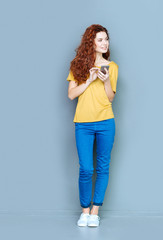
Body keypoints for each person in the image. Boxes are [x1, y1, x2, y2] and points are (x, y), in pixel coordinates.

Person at [66, 24, 119, 227]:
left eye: (106, 39)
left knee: (103, 167)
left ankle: (95, 212)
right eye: (100, 39)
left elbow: (110, 98)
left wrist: (105, 82)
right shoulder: (77, 65)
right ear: (91, 43)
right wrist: (89, 79)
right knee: (86, 169)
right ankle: (84, 212)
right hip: (83, 124)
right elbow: (71, 94)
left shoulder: (111, 66)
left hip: (106, 121)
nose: (105, 43)